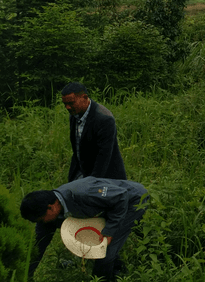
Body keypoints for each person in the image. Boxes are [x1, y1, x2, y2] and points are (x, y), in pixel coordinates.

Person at [28, 82, 128, 278]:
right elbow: (78, 151)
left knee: (102, 226)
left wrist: (87, 190)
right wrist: (73, 181)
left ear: (84, 98)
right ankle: (30, 268)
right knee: (59, 217)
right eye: (64, 103)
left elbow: (103, 159)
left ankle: (113, 269)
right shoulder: (74, 116)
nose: (67, 107)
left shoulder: (104, 119)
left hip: (105, 179)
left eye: (71, 103)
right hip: (83, 176)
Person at [21, 177, 148, 282]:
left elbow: (121, 196)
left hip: (133, 200)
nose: (41, 223)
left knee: (104, 249)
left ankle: (103, 278)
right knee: (103, 246)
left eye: (42, 220)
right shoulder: (50, 210)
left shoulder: (83, 193)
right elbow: (38, 245)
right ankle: (117, 270)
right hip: (109, 205)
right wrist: (26, 275)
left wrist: (109, 231)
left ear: (51, 208)